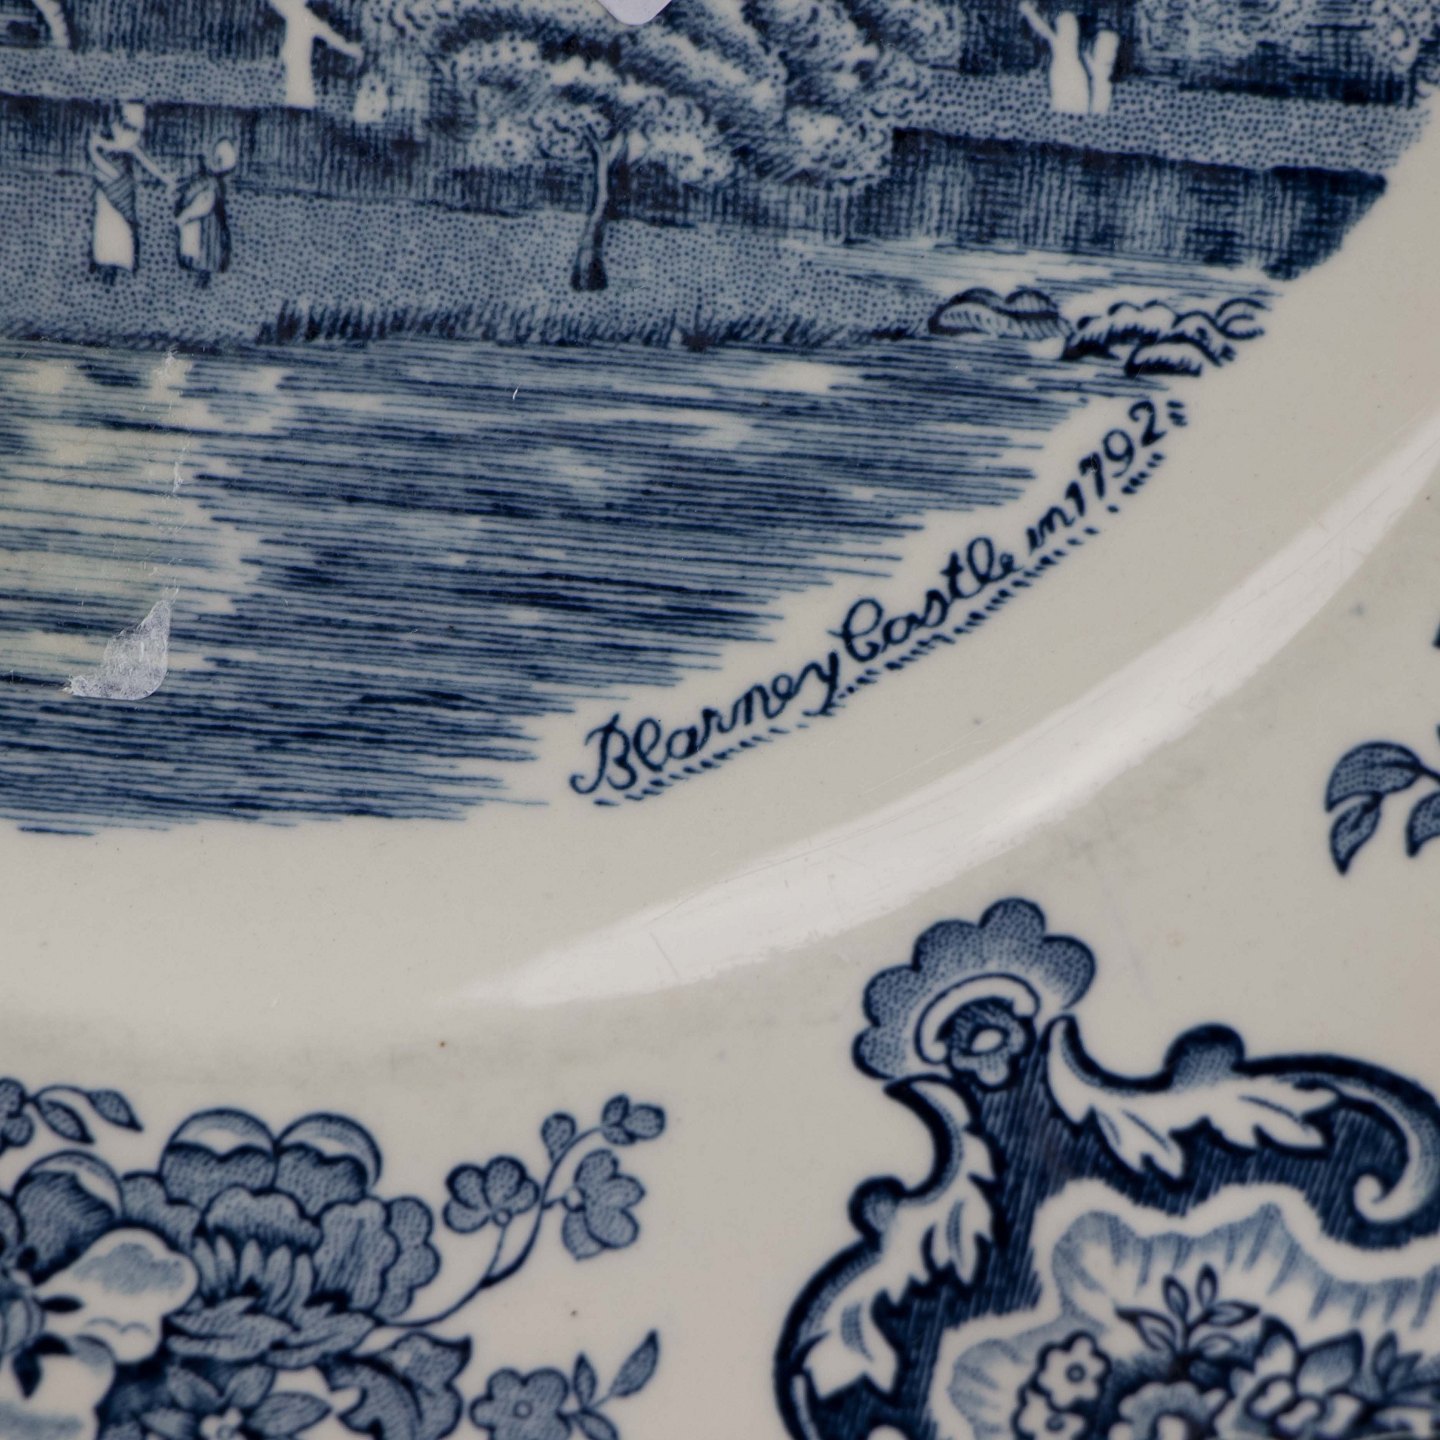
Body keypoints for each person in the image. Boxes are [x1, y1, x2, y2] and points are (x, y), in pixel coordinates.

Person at [86, 102, 174, 283]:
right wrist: (109, 171)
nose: (132, 134)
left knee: (124, 229)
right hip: (107, 191)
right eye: (128, 128)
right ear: (116, 124)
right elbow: (95, 156)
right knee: (106, 226)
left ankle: (118, 266)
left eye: (135, 130)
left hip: (125, 191)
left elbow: (147, 163)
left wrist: (166, 178)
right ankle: (103, 265)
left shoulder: (129, 146)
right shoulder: (98, 140)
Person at [266, 0, 364, 110]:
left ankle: (298, 106)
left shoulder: (301, 15)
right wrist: (352, 50)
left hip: (298, 57)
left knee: (299, 88)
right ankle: (298, 106)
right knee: (299, 88)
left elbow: (330, 36)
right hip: (296, 57)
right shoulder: (300, 15)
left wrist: (352, 50)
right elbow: (330, 36)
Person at [174, 139, 237, 287]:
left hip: (207, 220)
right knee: (201, 246)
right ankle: (200, 275)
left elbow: (204, 203)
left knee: (206, 247)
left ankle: (202, 276)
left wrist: (185, 215)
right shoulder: (209, 182)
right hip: (206, 220)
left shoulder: (211, 183)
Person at [1019, 3, 1090, 114]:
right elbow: (1042, 27)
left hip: (1071, 73)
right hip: (1065, 73)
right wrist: (1029, 12)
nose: (1070, 28)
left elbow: (1042, 27)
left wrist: (1029, 12)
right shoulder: (1060, 41)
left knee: (1074, 106)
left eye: (1072, 24)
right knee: (1065, 106)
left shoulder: (1063, 42)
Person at [1085, 28, 1120, 115]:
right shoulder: (1098, 64)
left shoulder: (1104, 66)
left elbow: (1087, 55)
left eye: (1113, 49)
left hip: (1102, 92)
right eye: (1102, 45)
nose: (1112, 52)